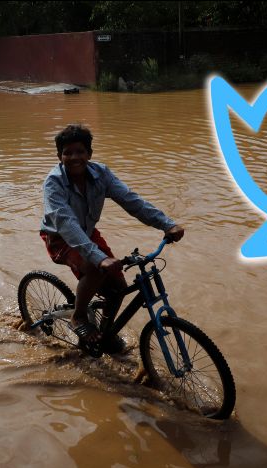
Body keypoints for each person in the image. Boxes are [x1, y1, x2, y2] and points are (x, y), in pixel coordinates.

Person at [40, 124, 184, 355]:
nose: (75, 157)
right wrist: (99, 258)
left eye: (80, 151)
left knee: (118, 287)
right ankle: (78, 317)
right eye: (68, 152)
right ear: (60, 157)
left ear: (89, 154)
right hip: (59, 237)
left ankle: (105, 333)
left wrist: (167, 224)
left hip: (87, 233)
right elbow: (66, 223)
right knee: (97, 269)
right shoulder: (53, 183)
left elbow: (131, 201)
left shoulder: (101, 174)